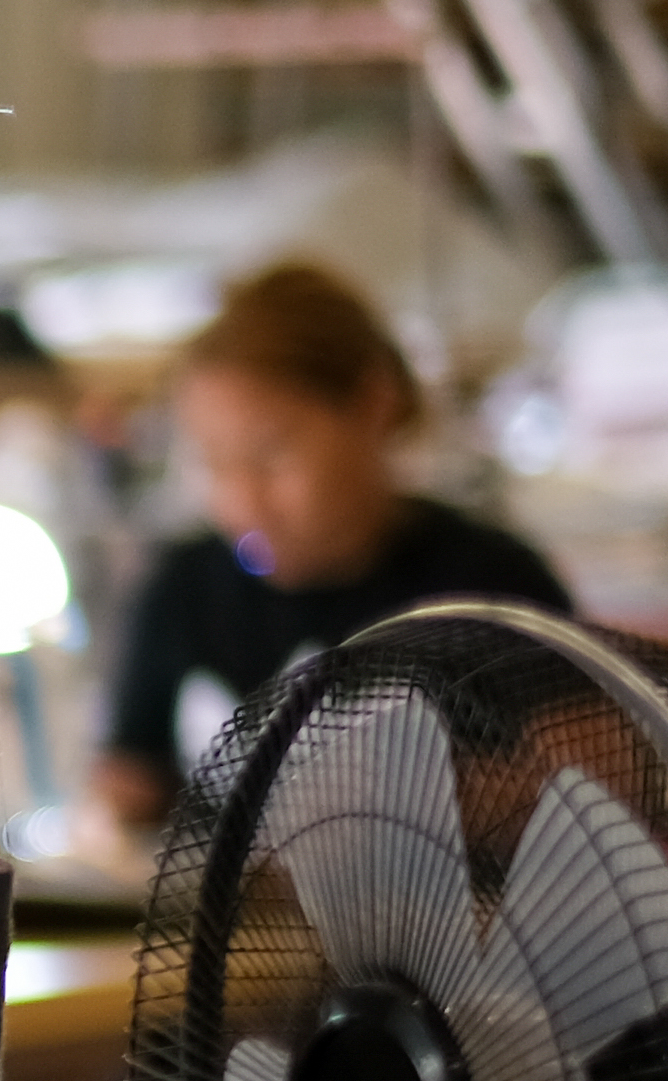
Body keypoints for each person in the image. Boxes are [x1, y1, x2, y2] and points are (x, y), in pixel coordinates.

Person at [90, 259, 569, 838]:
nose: (246, 500)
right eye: (216, 463)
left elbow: (592, 785)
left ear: (374, 405)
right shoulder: (182, 587)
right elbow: (128, 778)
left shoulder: (491, 588)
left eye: (272, 456)